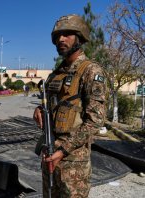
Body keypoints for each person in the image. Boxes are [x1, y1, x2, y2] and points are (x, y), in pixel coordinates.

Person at [33, 14, 107, 198]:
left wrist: (63, 150)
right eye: (58, 35)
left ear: (79, 37)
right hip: (49, 153)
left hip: (73, 160)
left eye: (67, 34)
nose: (60, 39)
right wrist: (39, 110)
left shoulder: (91, 71)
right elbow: (50, 105)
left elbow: (95, 121)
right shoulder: (56, 74)